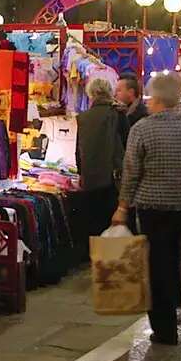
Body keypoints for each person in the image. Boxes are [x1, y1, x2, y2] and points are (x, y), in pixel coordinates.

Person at [112, 72, 181, 345]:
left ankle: (164, 326)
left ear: (156, 98)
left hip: (151, 206)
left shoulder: (142, 129)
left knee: (156, 263)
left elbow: (131, 172)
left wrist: (123, 206)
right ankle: (175, 303)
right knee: (175, 255)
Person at [75, 76, 126, 250]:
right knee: (111, 218)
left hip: (90, 176)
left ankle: (96, 257)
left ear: (91, 94)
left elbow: (78, 149)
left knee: (94, 218)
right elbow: (125, 143)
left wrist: (81, 172)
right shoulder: (117, 114)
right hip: (112, 177)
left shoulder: (83, 117)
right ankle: (112, 255)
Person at [114, 72, 147, 141]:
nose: (114, 94)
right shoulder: (117, 111)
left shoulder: (143, 115)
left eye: (118, 90)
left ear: (131, 92)